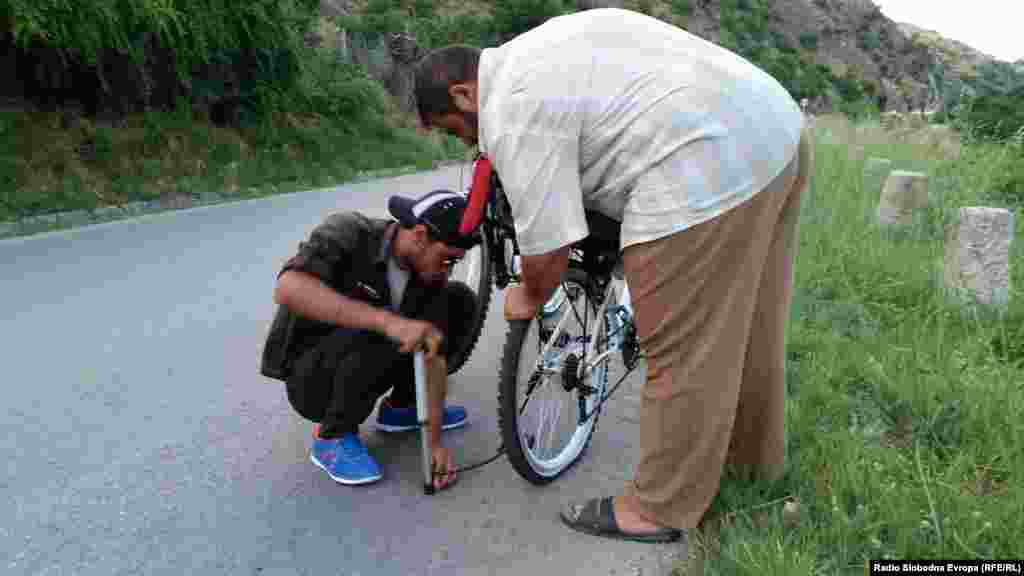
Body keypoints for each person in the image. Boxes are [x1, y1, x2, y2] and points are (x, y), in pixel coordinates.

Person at [413, 8, 813, 543]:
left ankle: (658, 509)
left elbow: (548, 247)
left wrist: (528, 296)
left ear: (464, 95)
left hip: (706, 163)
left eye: (453, 130)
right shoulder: (537, 49)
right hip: (775, 131)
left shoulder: (510, 109)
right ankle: (750, 465)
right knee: (753, 324)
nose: (465, 143)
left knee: (681, 351)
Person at [261, 190, 481, 491]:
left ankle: (403, 408)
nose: (449, 269)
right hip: (312, 375)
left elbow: (434, 356)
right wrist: (388, 322)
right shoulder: (349, 232)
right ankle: (331, 438)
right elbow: (288, 288)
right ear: (419, 235)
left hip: (365, 354)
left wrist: (434, 445)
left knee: (460, 301)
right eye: (446, 259)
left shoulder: (429, 277)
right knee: (386, 325)